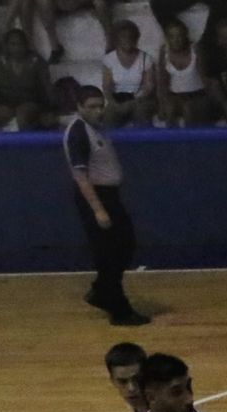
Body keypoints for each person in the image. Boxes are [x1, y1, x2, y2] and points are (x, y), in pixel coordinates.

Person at [64, 86, 149, 327]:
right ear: (79, 107)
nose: (98, 111)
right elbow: (80, 176)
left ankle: (102, 291)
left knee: (123, 245)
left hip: (109, 194)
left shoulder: (95, 128)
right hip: (98, 196)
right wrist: (98, 209)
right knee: (109, 253)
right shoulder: (78, 132)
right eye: (91, 106)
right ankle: (118, 308)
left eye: (100, 106)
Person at [0, 27, 53, 130]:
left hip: (31, 102)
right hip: (5, 102)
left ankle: (25, 145)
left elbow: (47, 87)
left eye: (20, 44)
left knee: (22, 113)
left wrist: (50, 109)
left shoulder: (36, 61)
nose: (17, 48)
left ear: (26, 45)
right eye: (13, 44)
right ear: (7, 46)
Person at [160, 18, 213, 128]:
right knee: (169, 109)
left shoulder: (195, 49)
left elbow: (206, 79)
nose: (176, 40)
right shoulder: (164, 51)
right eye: (172, 37)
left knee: (188, 108)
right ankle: (170, 142)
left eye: (179, 36)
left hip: (197, 95)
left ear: (185, 36)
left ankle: (190, 142)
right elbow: (163, 81)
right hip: (175, 96)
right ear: (167, 38)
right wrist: (162, 103)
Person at [101, 20, 155, 128]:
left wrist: (132, 102)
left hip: (139, 100)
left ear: (136, 38)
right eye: (123, 36)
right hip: (117, 100)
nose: (128, 39)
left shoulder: (146, 58)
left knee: (141, 112)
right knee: (109, 115)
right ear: (116, 39)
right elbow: (107, 86)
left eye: (131, 36)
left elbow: (148, 87)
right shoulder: (109, 59)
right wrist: (113, 103)